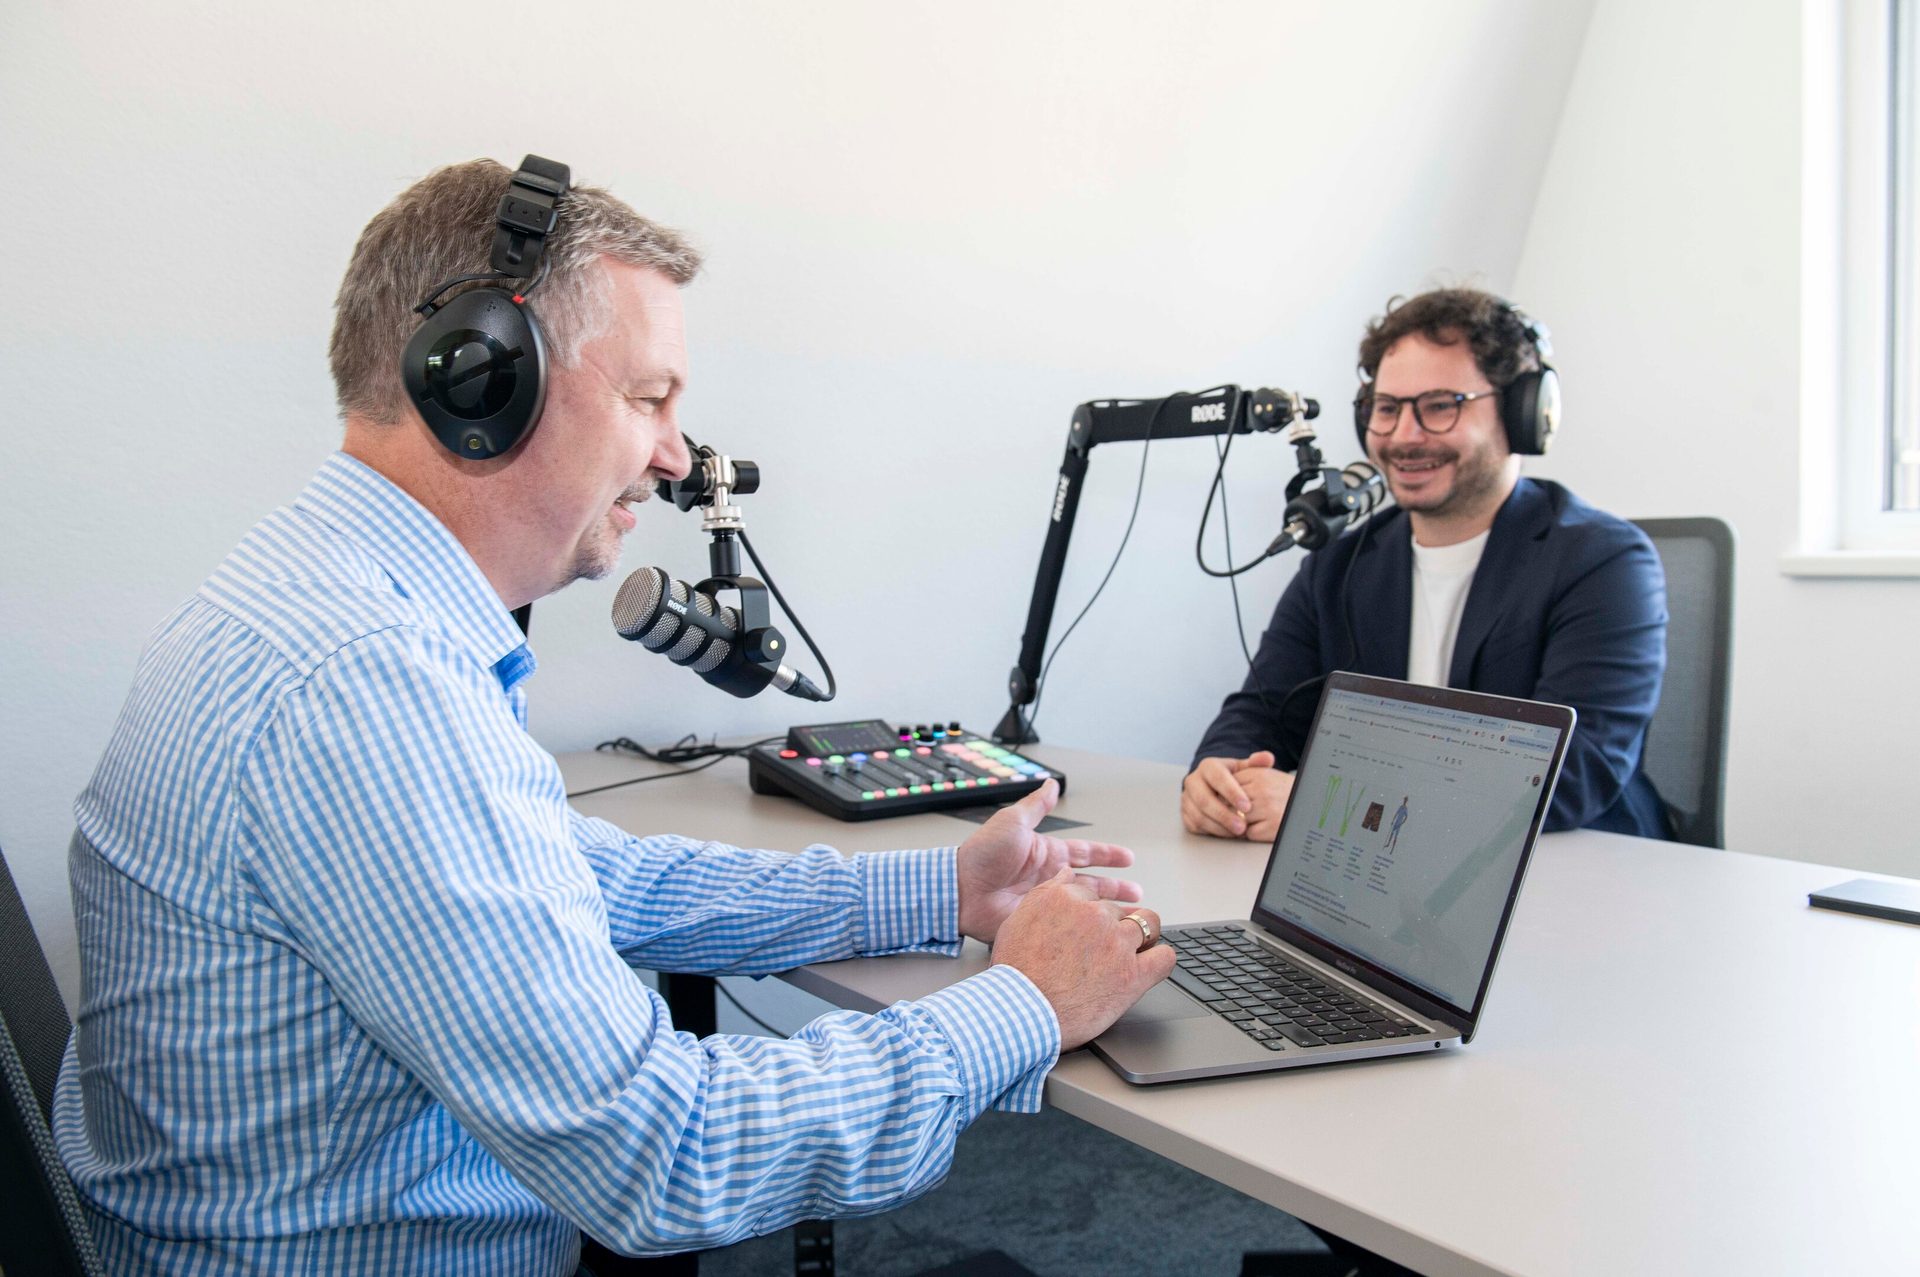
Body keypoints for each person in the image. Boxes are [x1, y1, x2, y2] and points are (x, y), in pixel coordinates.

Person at [53, 158, 1176, 1276]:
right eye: (649, 398)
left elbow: (587, 878)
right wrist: (1028, 1002)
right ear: (483, 380)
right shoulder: (367, 683)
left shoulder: (325, 596)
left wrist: (940, 889)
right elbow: (670, 1156)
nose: (678, 456)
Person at [1182, 287, 1669, 845]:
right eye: (1387, 409)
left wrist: (1328, 801)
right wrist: (1220, 780)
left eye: (1440, 406)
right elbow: (1261, 711)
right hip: (1379, 872)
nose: (1404, 436)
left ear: (1521, 414)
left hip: (1566, 869)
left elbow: (1573, 773)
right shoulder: (1339, 566)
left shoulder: (1603, 563)